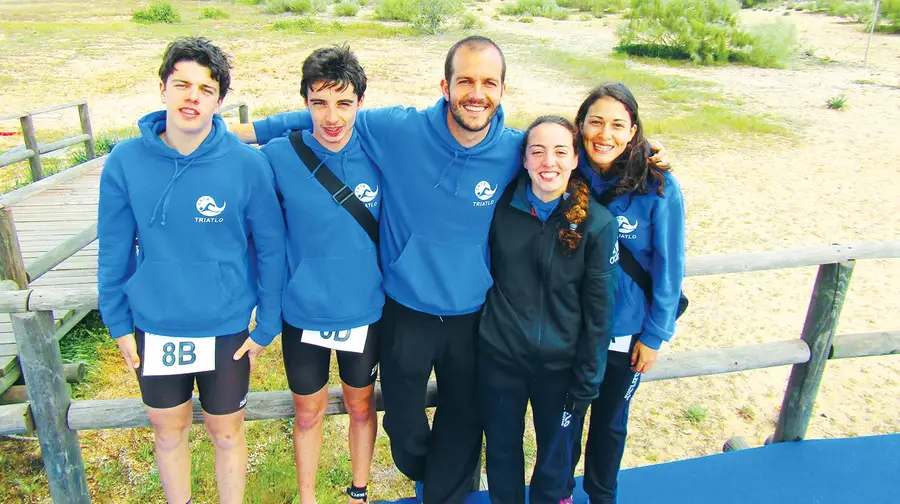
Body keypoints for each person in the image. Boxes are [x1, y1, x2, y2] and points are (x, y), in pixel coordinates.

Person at [231, 36, 668, 504]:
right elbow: (328, 115)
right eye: (465, 81)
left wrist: (639, 152)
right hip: (406, 308)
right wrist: (237, 132)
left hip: (474, 317)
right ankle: (425, 470)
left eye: (488, 83)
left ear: (502, 89)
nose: (476, 93)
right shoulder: (399, 128)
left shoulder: (516, 148)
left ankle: (444, 492)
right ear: (445, 85)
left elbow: (563, 157)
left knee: (463, 427)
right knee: (404, 428)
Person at [97, 37, 285, 504]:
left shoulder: (248, 164)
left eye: (205, 89)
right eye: (181, 84)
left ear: (219, 101)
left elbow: (272, 249)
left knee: (226, 432)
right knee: (167, 430)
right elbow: (114, 251)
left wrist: (269, 324)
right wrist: (118, 323)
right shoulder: (125, 161)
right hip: (156, 325)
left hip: (225, 326)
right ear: (162, 88)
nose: (191, 97)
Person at [259, 45, 381, 504]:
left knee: (360, 405)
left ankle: (359, 491)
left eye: (344, 103)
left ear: (360, 104)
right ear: (304, 103)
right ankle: (307, 497)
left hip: (363, 310)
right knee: (307, 412)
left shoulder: (379, 152)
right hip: (303, 312)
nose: (332, 116)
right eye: (319, 102)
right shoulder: (277, 155)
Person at [478, 115, 618, 504]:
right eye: (537, 151)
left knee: (555, 465)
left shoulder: (597, 224)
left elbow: (599, 312)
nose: (548, 162)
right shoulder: (501, 206)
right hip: (501, 360)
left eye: (560, 151)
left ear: (575, 159)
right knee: (503, 453)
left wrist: (587, 380)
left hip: (562, 369)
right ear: (523, 160)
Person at [567, 83, 686, 504]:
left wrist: (655, 336)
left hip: (628, 333)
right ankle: (561, 492)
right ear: (580, 126)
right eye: (596, 122)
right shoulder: (565, 172)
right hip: (574, 329)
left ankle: (602, 496)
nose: (605, 134)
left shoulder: (658, 187)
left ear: (634, 131)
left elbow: (670, 268)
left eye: (618, 125)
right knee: (567, 418)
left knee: (610, 422)